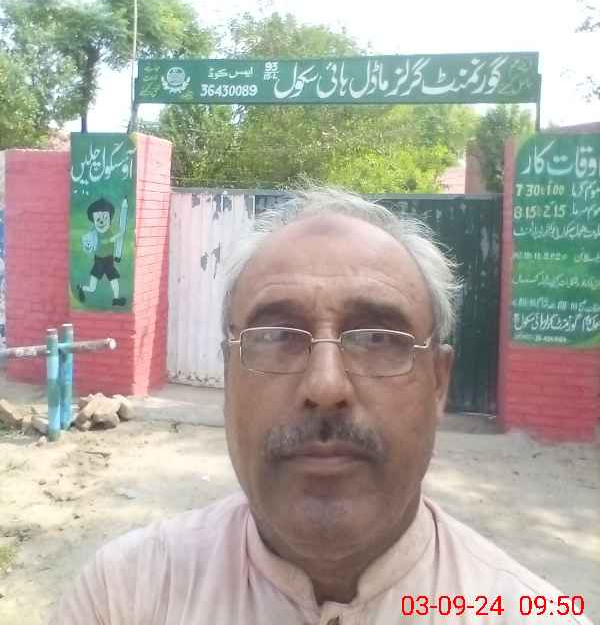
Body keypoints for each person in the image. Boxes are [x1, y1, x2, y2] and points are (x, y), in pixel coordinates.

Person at [51, 187, 591, 624]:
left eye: (377, 338)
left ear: (438, 383)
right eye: (277, 336)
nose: (327, 385)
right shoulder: (126, 596)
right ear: (229, 374)